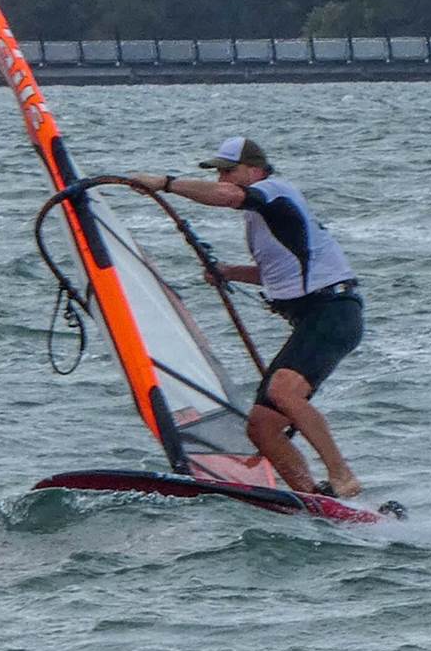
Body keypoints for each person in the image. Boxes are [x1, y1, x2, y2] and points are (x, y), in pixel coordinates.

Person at [131, 136, 364, 500]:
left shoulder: (274, 191)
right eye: (219, 172)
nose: (222, 179)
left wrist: (165, 183)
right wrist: (229, 272)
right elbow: (278, 273)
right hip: (316, 317)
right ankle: (316, 498)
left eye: (229, 171)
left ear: (255, 171)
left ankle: (342, 475)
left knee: (283, 392)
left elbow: (227, 196)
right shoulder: (263, 218)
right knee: (262, 426)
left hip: (335, 311)